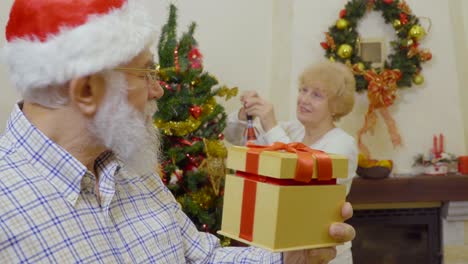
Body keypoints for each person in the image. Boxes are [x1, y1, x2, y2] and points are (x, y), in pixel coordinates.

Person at [0, 0, 355, 263]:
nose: (158, 90)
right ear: (87, 91)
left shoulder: (136, 173)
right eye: (145, 73)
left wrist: (290, 259)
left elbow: (201, 257)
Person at [225, 61, 358, 264]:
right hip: (281, 250)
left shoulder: (342, 144)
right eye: (303, 90)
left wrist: (270, 124)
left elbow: (299, 178)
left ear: (335, 106)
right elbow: (235, 137)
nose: (304, 99)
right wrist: (245, 114)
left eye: (317, 95)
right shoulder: (292, 130)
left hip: (322, 254)